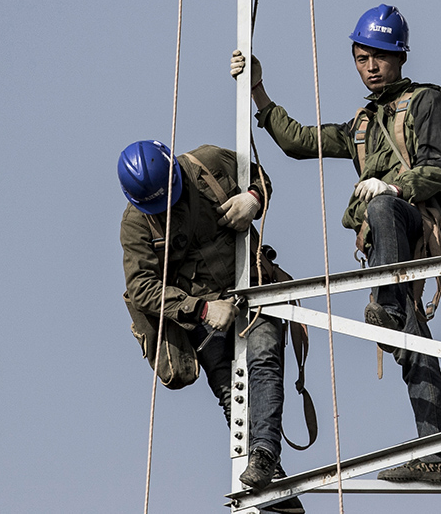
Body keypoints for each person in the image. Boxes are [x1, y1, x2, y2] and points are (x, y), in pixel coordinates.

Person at [230, 3, 441, 483]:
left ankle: (388, 302)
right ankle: (436, 452)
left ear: (399, 56)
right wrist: (257, 90)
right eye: (361, 57)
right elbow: (299, 141)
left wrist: (394, 189)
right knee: (410, 339)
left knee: (379, 210)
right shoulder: (362, 124)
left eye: (379, 56)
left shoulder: (427, 102)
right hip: (384, 243)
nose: (371, 67)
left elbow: (438, 167)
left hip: (414, 221)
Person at [118, 140, 303, 514]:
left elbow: (260, 178)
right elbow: (141, 287)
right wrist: (201, 310)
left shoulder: (208, 162)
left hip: (251, 286)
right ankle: (277, 490)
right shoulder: (137, 223)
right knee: (231, 391)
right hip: (205, 311)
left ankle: (265, 455)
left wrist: (252, 198)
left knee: (264, 360)